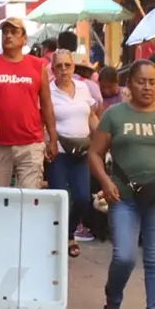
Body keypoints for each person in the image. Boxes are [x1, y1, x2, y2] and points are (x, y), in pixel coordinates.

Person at [89, 59, 155, 309]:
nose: (147, 87)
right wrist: (106, 183)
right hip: (123, 198)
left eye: (152, 82)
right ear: (129, 84)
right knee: (125, 256)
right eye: (141, 81)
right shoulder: (114, 115)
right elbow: (94, 153)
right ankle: (112, 303)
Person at [0, 18, 57, 189]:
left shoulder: (37, 66)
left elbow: (46, 104)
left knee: (29, 200)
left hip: (31, 143)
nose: (8, 36)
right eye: (5, 32)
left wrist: (53, 137)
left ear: (24, 39)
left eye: (14, 32)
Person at [47, 49, 100, 258]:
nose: (63, 70)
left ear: (73, 67)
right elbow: (42, 121)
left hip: (82, 152)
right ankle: (59, 238)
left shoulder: (83, 88)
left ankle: (68, 233)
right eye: (58, 66)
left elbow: (92, 116)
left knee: (82, 198)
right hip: (58, 152)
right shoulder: (48, 91)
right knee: (59, 197)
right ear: (52, 69)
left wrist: (104, 137)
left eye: (67, 65)